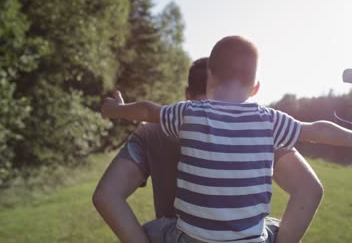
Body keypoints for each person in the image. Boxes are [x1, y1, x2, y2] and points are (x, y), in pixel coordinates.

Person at [101, 35, 352, 242]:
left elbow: (150, 111)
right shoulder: (267, 123)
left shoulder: (188, 114)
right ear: (256, 87)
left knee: (154, 229)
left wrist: (116, 110)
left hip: (190, 238)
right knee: (271, 226)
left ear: (211, 77)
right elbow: (317, 131)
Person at [94, 57, 323, 243]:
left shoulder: (152, 133)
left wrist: (124, 111)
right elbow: (309, 190)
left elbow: (107, 195)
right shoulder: (258, 129)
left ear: (187, 95)